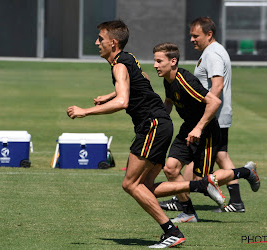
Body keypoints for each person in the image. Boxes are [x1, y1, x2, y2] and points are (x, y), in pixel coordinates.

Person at [66, 20, 228, 249]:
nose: (96, 43)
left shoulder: (119, 65)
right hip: (161, 123)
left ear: (113, 43)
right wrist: (109, 95)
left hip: (151, 125)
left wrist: (86, 111)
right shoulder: (129, 58)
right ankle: (201, 185)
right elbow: (143, 82)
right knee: (146, 187)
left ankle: (171, 231)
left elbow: (123, 101)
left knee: (130, 184)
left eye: (100, 39)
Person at [152, 42, 260, 224]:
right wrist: (159, 121)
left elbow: (214, 102)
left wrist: (199, 128)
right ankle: (188, 213)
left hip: (207, 130)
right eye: (155, 61)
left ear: (172, 61)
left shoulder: (186, 81)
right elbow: (169, 101)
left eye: (158, 61)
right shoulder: (168, 80)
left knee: (201, 180)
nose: (155, 65)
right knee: (170, 168)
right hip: (188, 128)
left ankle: (246, 172)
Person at [160, 17, 246, 216]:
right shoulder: (211, 52)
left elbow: (216, 87)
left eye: (195, 35)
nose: (191, 39)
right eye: (191, 35)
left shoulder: (213, 54)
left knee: (203, 166)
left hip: (210, 118)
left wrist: (203, 119)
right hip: (211, 117)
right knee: (218, 155)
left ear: (209, 35)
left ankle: (244, 176)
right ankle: (236, 199)